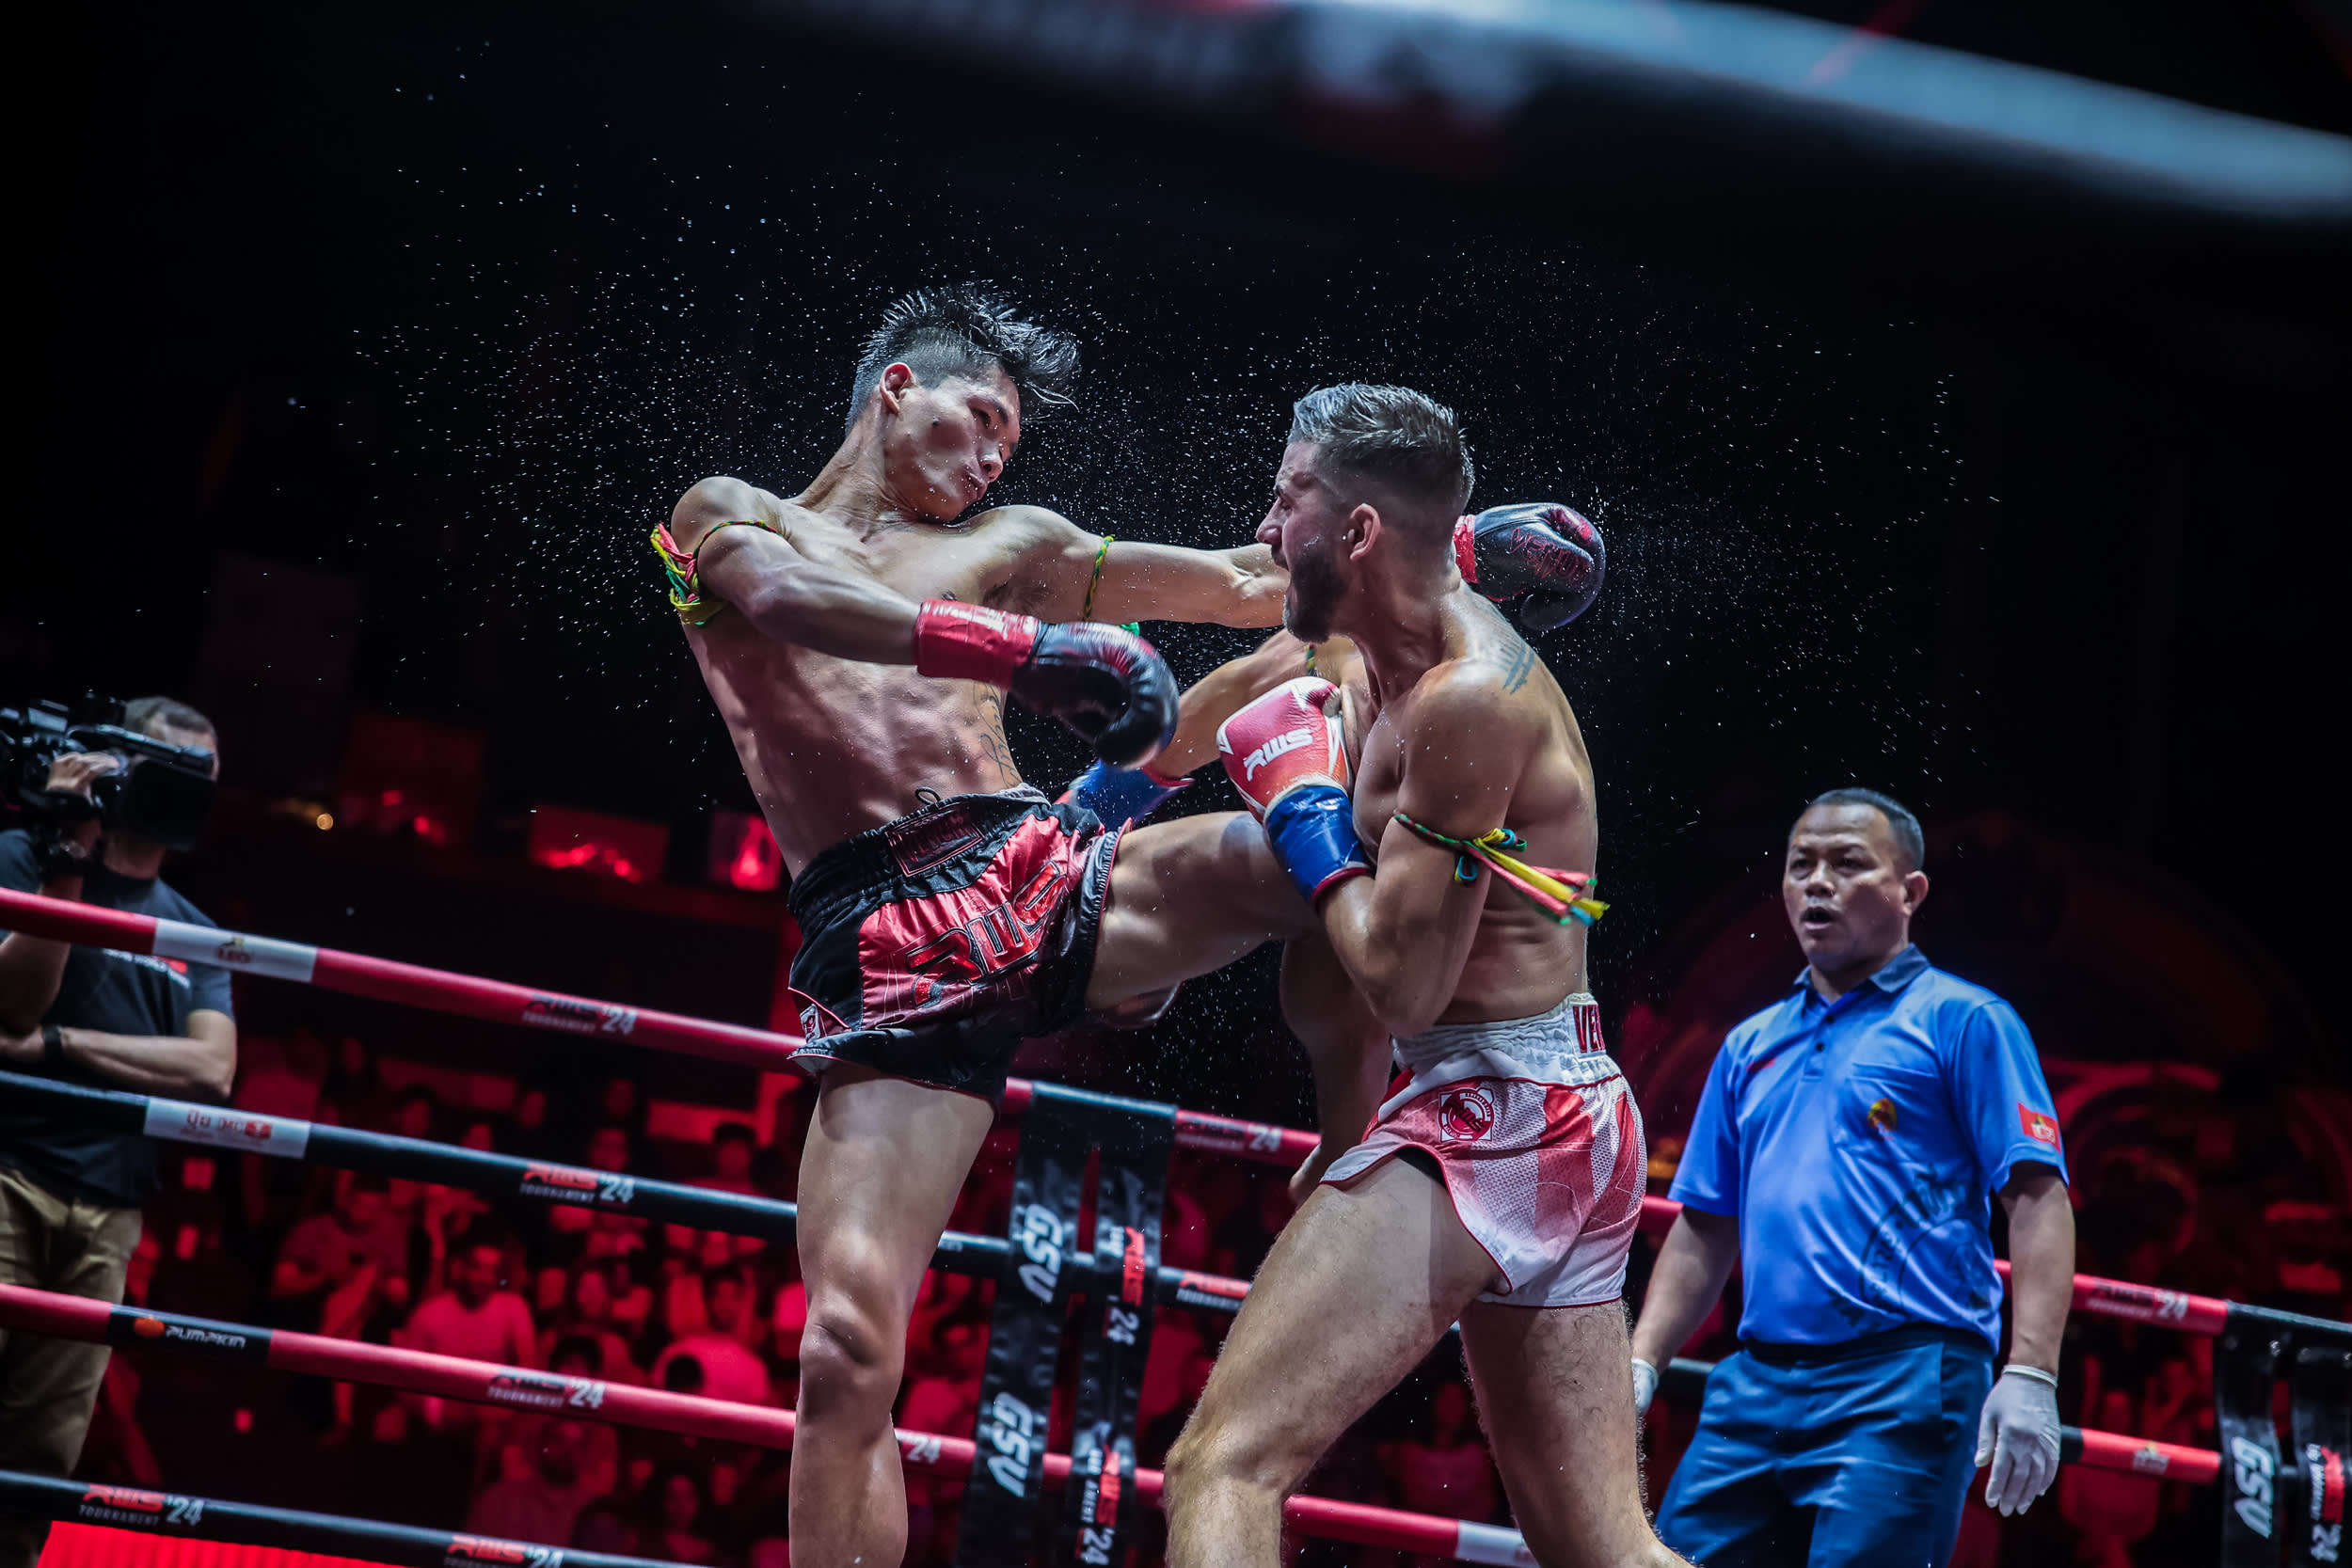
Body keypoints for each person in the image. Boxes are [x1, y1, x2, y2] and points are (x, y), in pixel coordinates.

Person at [658, 283, 1343, 1567]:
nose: (989, 460)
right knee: (844, 1350)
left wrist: (1446, 551)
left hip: (1032, 864)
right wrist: (1018, 651)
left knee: (1301, 850)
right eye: (980, 419)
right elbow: (788, 600)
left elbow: (1247, 581)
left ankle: (1362, 1137)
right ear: (896, 386)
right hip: (876, 934)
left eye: (1007, 445)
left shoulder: (1015, 537)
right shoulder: (729, 511)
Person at [1162, 384, 1677, 1567]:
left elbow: (1402, 988)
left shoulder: (1468, 699)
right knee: (1604, 1551)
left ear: (1356, 531)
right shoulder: (1367, 660)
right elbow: (1233, 698)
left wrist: (1303, 815)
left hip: (1502, 1109)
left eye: (1286, 501)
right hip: (1545, 1104)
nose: (1263, 526)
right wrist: (1102, 801)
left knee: (1222, 1462)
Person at [1628, 788, 2075, 1563]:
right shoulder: (1747, 1045)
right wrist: (1643, 1360)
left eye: (1847, 863)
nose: (1818, 882)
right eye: (1801, 864)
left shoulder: (1965, 1020)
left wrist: (2032, 1368)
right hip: (1755, 1380)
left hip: (1905, 1377)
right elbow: (1704, 1224)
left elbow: (2037, 1195)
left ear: (1911, 891)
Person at [0, 696, 236, 1568]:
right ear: (119, 769)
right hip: (8, 1171)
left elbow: (212, 1069)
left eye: (203, 781)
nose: (186, 795)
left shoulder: (197, 931)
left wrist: (59, 1045)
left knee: (43, 1450)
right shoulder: (24, 858)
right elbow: (11, 1006)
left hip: (109, 1210)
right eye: (170, 774)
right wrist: (70, 853)